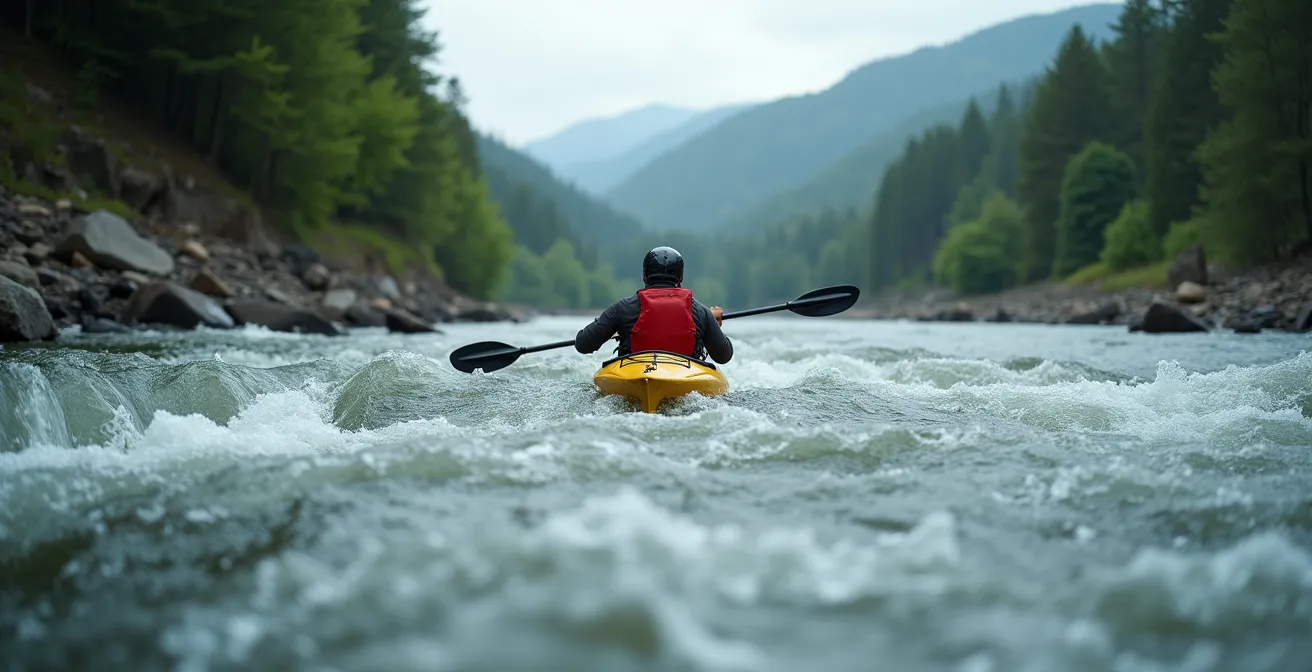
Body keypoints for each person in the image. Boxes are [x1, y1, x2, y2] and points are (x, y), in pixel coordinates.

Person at [574, 246, 734, 364]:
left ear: (645, 275)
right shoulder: (701, 312)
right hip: (684, 375)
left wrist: (609, 326)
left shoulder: (622, 308)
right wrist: (712, 322)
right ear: (680, 276)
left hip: (635, 372)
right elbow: (724, 356)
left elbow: (582, 344)